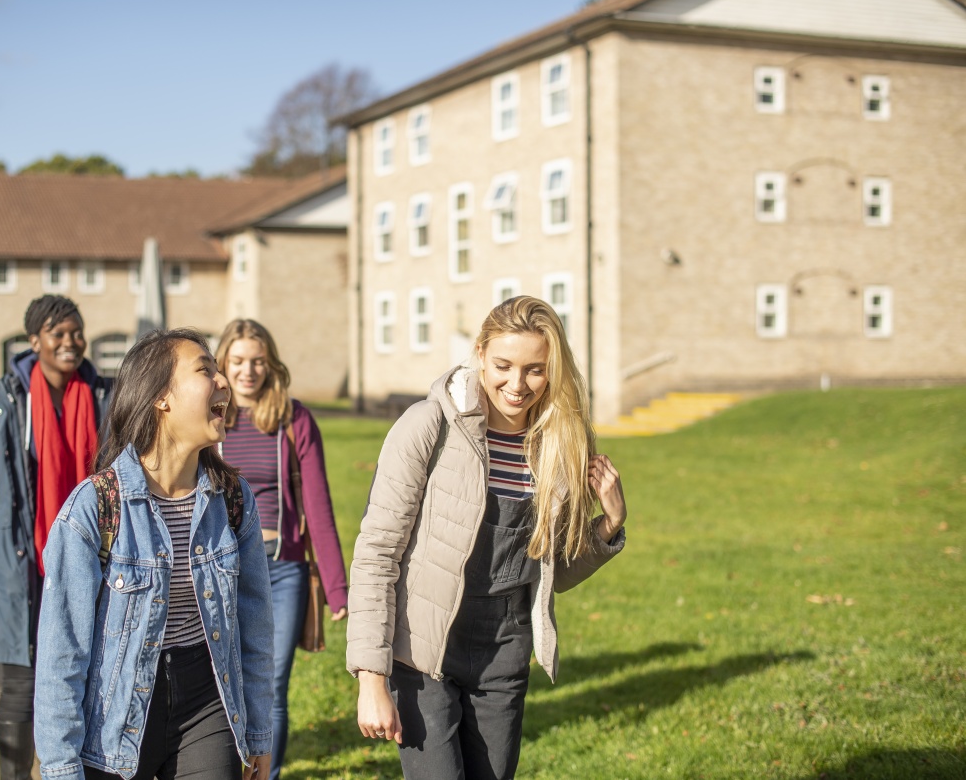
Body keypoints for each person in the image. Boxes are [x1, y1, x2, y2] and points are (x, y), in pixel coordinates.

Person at [347, 295, 629, 779]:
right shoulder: (426, 426)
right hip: (424, 652)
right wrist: (371, 678)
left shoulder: (557, 445)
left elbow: (551, 573)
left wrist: (608, 523)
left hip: (503, 655)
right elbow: (376, 554)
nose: (516, 385)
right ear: (479, 353)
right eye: (503, 365)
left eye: (535, 370)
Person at [35, 328, 275, 780]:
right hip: (116, 716)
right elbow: (61, 652)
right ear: (160, 397)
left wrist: (259, 732)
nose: (223, 380)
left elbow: (255, 625)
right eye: (206, 370)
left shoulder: (233, 499)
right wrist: (61, 767)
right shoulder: (94, 507)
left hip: (208, 703)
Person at [0, 294, 111, 780]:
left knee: (88, 681)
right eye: (57, 333)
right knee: (23, 688)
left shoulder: (105, 396)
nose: (70, 342)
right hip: (25, 566)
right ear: (34, 340)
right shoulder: (1, 402)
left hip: (92, 558)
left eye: (76, 332)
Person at [214, 319, 349, 780]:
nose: (247, 371)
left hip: (283, 569)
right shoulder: (211, 420)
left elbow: (319, 506)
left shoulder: (294, 421)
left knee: (271, 685)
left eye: (257, 361)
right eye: (237, 362)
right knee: (221, 683)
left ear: (270, 365)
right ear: (222, 365)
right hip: (220, 570)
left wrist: (337, 589)